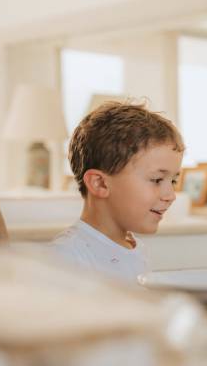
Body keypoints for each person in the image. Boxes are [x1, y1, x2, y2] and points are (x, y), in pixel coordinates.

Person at [52, 101, 185, 282]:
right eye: (157, 180)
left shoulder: (138, 250)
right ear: (100, 184)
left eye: (174, 180)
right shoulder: (67, 257)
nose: (171, 195)